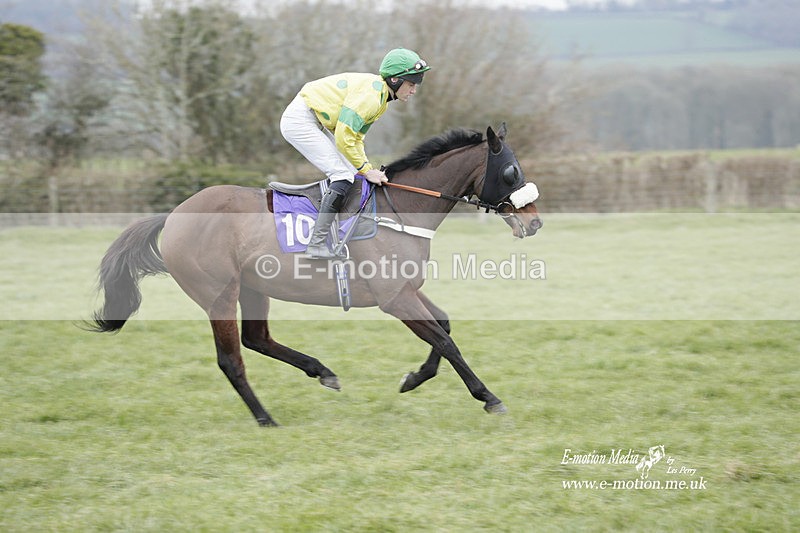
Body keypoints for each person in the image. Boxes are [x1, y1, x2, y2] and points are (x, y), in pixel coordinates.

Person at [280, 48, 431, 259]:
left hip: (318, 122)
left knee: (353, 174)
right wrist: (366, 170)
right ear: (395, 80)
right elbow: (344, 137)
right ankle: (316, 243)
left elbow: (356, 139)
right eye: (411, 84)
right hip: (301, 121)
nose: (414, 90)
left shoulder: (380, 101)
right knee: (342, 175)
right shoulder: (371, 97)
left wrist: (366, 169)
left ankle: (344, 232)